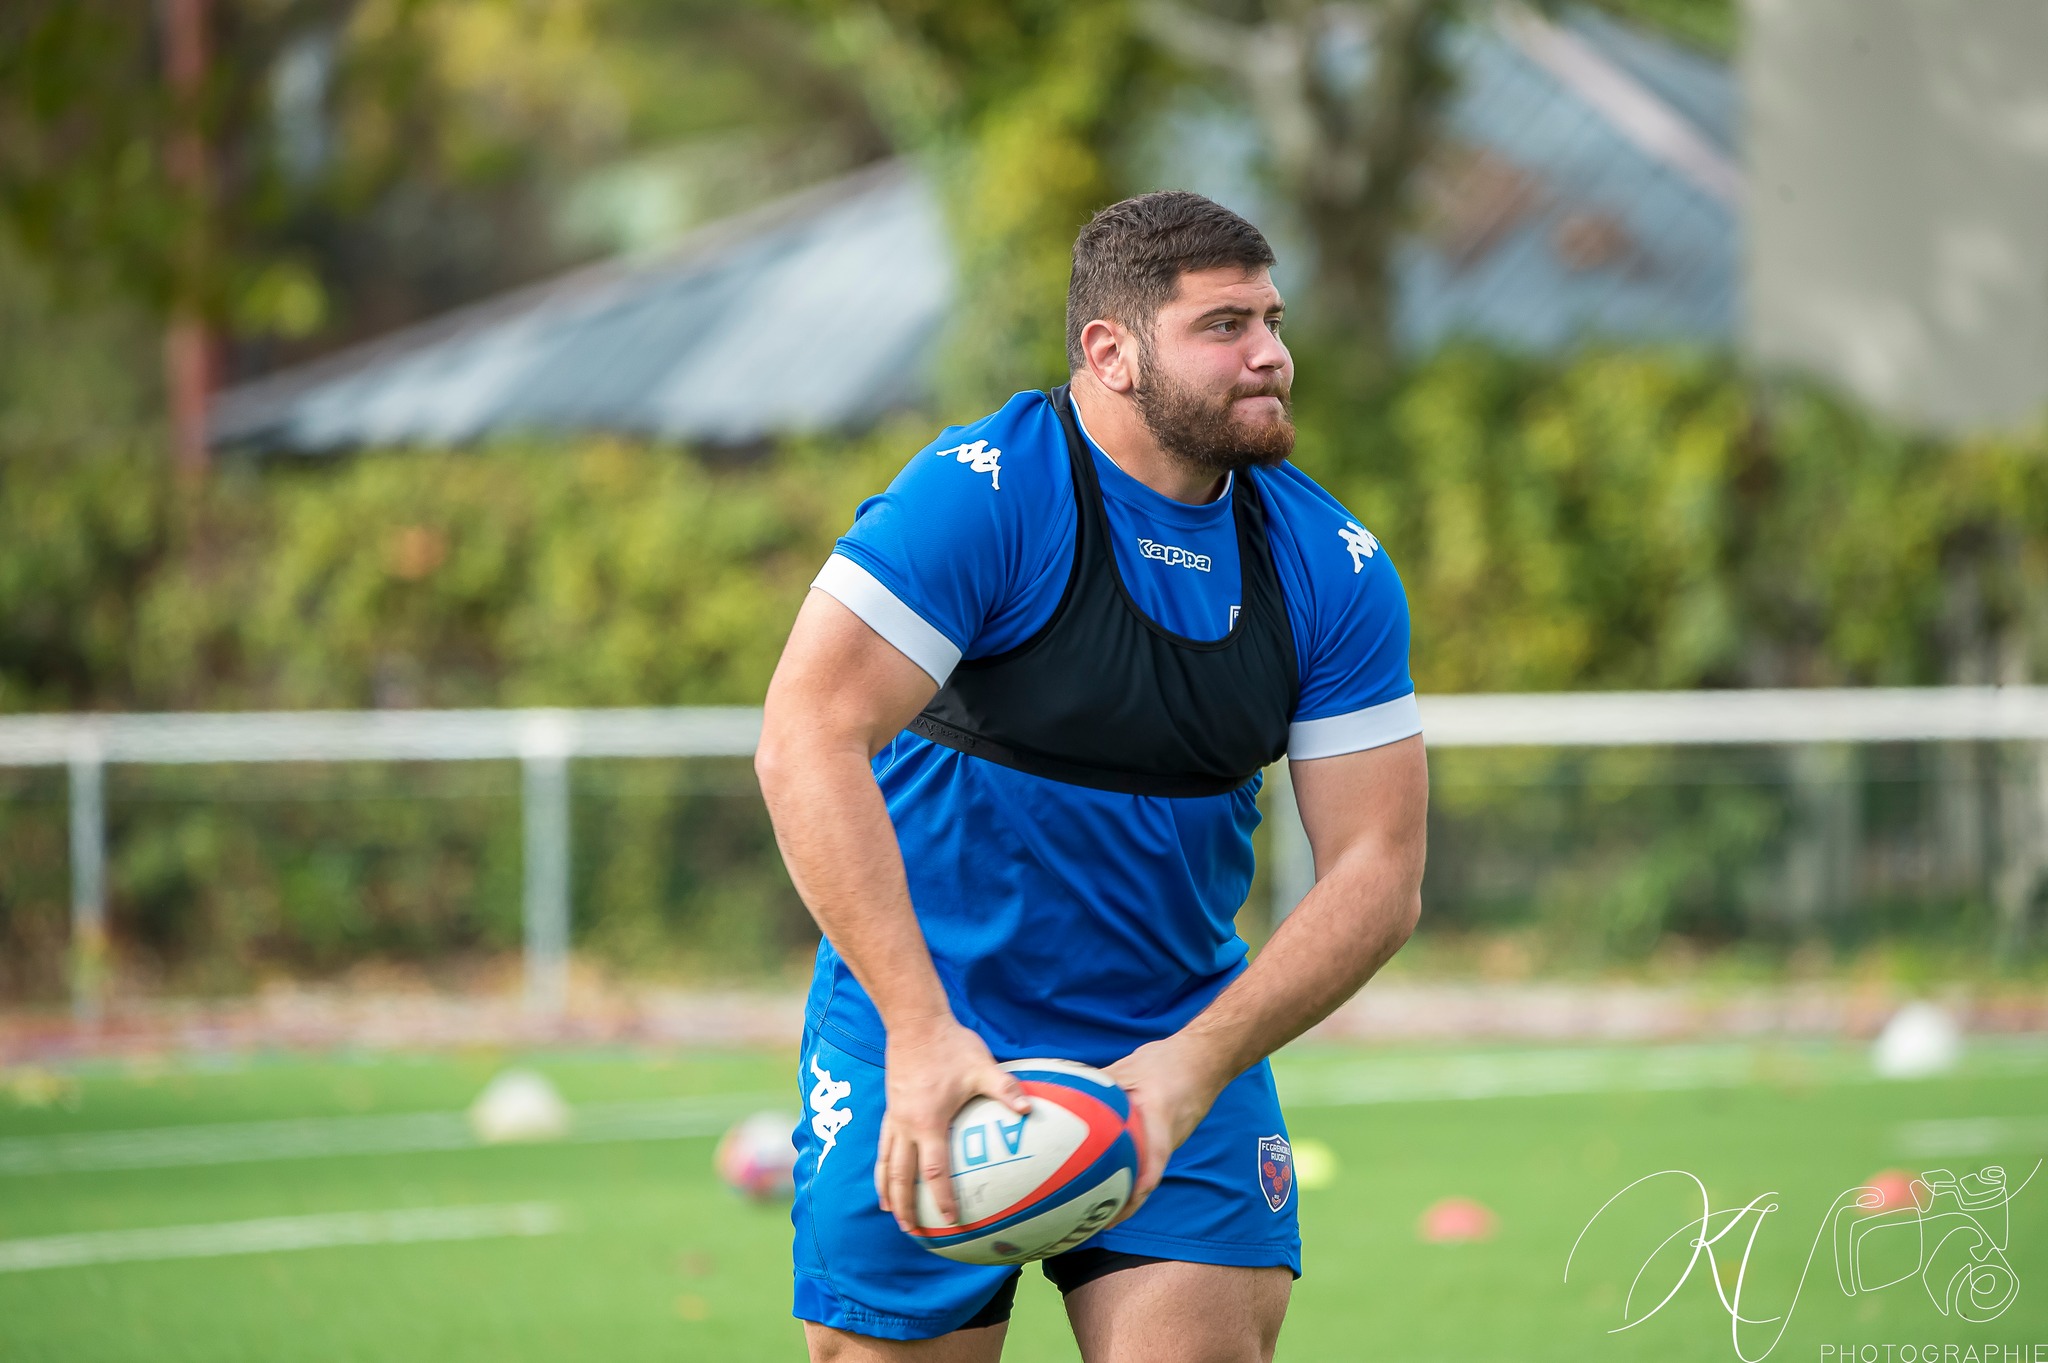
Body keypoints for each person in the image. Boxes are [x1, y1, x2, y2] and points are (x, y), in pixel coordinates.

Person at [755, 190, 1428, 1363]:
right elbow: (805, 735)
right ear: (1107, 352)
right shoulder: (985, 494)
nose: (1269, 352)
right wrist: (919, 1031)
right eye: (1222, 325)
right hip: (924, 1034)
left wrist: (1193, 1063)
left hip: (1175, 1037)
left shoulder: (1331, 564)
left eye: (1271, 319)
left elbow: (1377, 866)